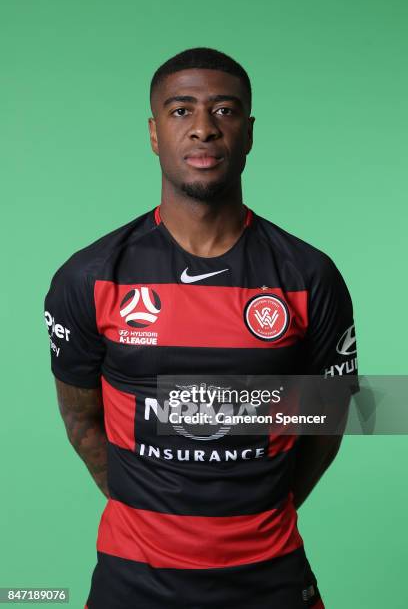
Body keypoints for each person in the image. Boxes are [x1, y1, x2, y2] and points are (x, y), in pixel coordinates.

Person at [44, 47, 358, 609]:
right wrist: (153, 521)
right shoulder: (90, 277)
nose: (204, 129)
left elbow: (328, 421)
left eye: (226, 111)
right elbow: (80, 417)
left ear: (250, 132)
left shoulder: (309, 276)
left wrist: (258, 516)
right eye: (181, 110)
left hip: (270, 578)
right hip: (132, 581)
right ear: (154, 133)